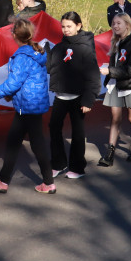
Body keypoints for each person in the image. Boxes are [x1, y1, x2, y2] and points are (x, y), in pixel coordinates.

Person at [0, 19, 56, 194]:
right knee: (21, 143)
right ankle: (5, 180)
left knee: (26, 144)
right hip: (33, 104)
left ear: (15, 35)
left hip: (26, 106)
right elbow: (24, 81)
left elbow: (14, 83)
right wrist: (8, 93)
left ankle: (45, 182)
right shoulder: (36, 52)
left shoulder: (21, 57)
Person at [46, 12, 99, 178]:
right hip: (60, 97)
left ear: (78, 25)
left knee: (77, 133)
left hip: (78, 98)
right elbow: (50, 69)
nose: (65, 30)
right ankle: (58, 163)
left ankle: (77, 167)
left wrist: (88, 100)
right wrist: (46, 53)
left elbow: (93, 77)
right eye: (63, 26)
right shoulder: (59, 47)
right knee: (54, 128)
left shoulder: (86, 49)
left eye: (69, 26)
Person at [97, 13, 131, 166]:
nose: (115, 26)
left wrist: (110, 71)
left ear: (127, 25)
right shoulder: (116, 43)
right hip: (117, 83)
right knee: (115, 118)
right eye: (113, 23)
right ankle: (110, 153)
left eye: (119, 23)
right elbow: (115, 64)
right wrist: (109, 74)